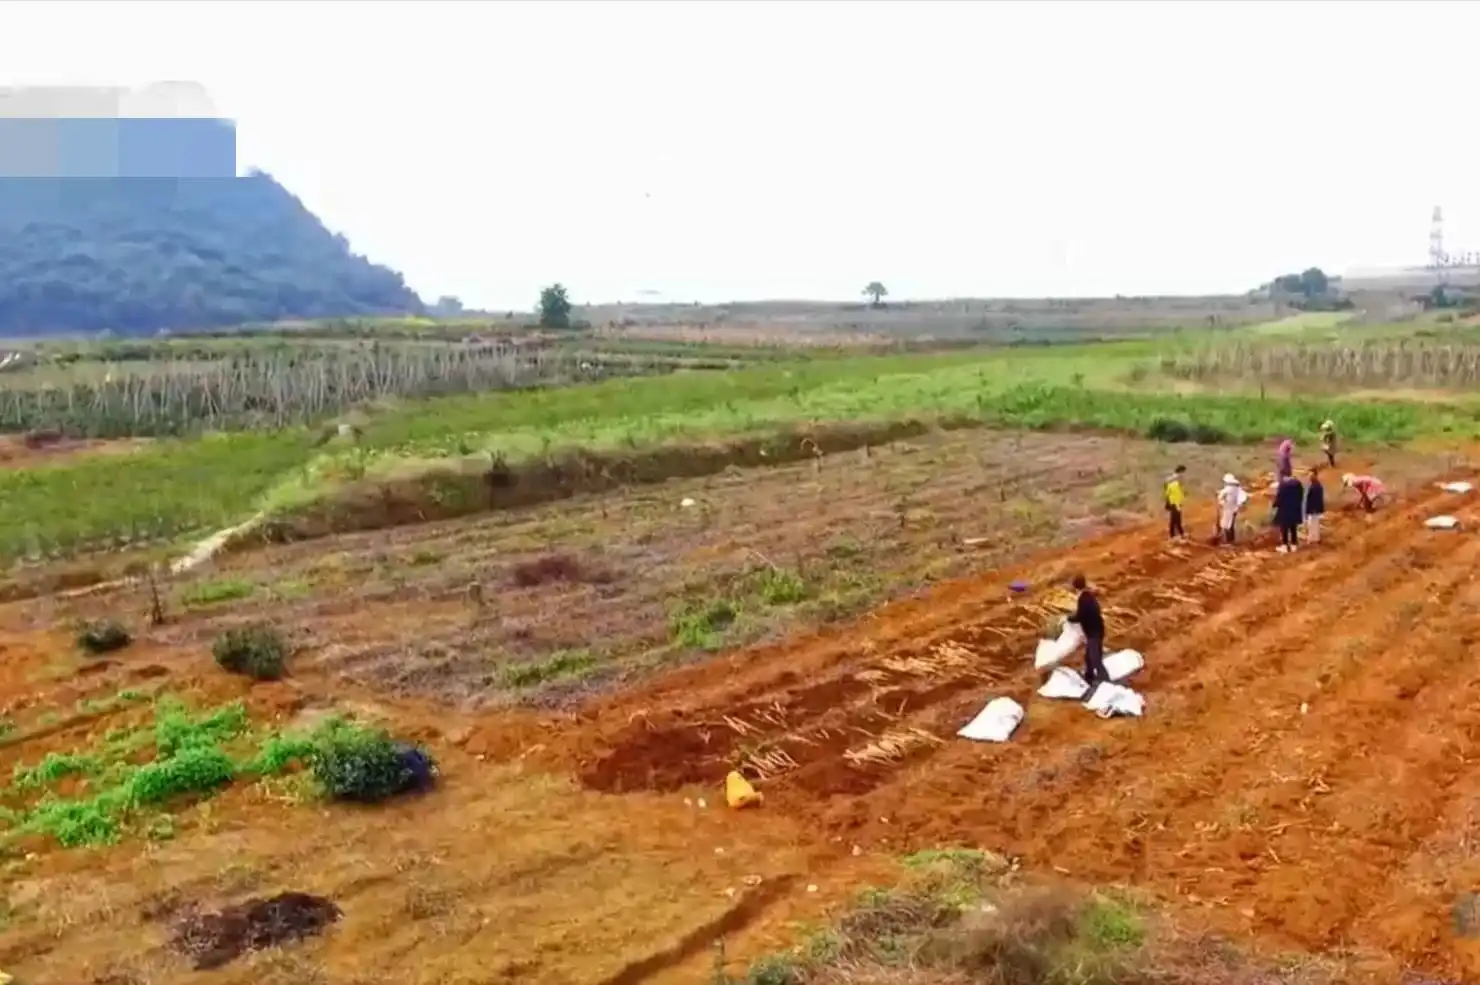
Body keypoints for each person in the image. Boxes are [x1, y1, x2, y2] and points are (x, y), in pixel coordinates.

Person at [1065, 574, 1107, 686]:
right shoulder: (1088, 595)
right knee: (1089, 657)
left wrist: (1069, 618)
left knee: (1095, 658)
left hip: (1094, 632)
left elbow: (1081, 616)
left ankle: (1106, 681)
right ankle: (1089, 677)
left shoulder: (1084, 599)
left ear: (1075, 587)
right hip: (1096, 629)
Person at [1274, 474, 1305, 552]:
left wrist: (1275, 504)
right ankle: (1294, 545)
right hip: (1295, 510)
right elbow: (1301, 497)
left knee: (1284, 528)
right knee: (1293, 527)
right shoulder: (1298, 484)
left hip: (1285, 510)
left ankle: (1285, 546)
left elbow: (1279, 498)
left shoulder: (1283, 485)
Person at [1216, 473, 1246, 544]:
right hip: (1234, 509)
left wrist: (1221, 502)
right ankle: (1231, 540)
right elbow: (1242, 498)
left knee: (1226, 524)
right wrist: (1239, 505)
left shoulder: (1227, 489)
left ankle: (1227, 541)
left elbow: (1220, 497)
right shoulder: (1238, 489)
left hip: (1228, 508)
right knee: (1230, 524)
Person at [1164, 465, 1187, 540]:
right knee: (1175, 519)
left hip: (1174, 502)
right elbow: (1171, 494)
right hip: (1174, 502)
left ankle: (1178, 533)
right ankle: (1175, 535)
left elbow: (1168, 493)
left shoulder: (1173, 481)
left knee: (1175, 518)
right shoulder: (1175, 481)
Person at [1305, 467, 1326, 544]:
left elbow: (1317, 499)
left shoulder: (1316, 486)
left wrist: (1314, 509)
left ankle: (1312, 539)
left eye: (1311, 475)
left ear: (1315, 475)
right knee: (1313, 524)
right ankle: (1315, 538)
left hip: (1314, 509)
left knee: (1312, 524)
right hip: (1313, 509)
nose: (1309, 477)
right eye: (1309, 475)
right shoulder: (1314, 484)